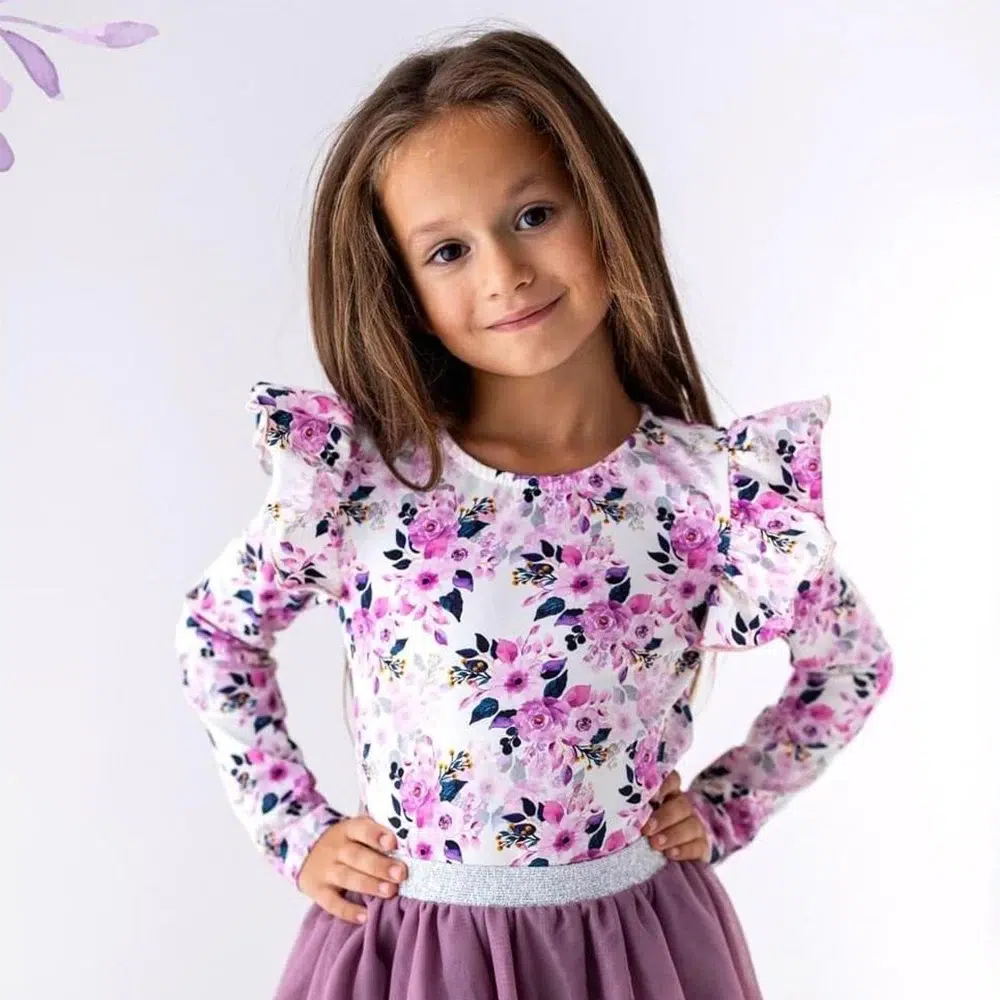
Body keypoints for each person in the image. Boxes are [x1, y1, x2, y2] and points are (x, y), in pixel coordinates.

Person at [174, 26, 894, 1000]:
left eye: (533, 214)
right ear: (404, 290)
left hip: (635, 952)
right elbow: (217, 632)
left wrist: (726, 806)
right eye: (448, 250)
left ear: (603, 204)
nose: (503, 272)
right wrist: (295, 830)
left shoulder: (710, 492)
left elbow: (850, 662)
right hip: (417, 957)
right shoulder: (363, 487)